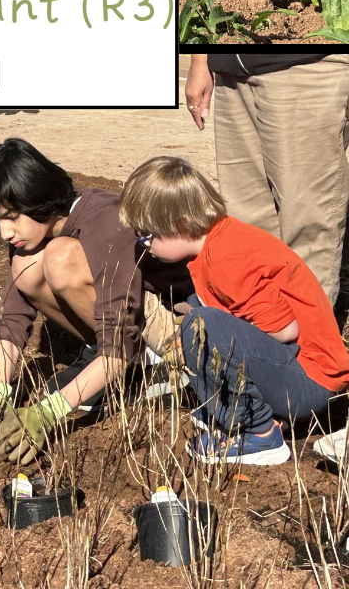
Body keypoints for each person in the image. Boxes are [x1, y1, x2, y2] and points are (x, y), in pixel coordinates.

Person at [0, 138, 191, 460]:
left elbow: (119, 340)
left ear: (35, 197)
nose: (5, 233)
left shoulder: (106, 220)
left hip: (171, 322)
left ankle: (158, 366)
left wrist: (50, 411)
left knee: (60, 256)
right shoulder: (35, 226)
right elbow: (13, 317)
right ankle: (111, 367)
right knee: (27, 265)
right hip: (122, 328)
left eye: (10, 217)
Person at [120, 156, 349, 466]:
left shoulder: (225, 262)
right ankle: (234, 407)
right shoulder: (221, 238)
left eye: (147, 234)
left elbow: (285, 331)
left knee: (202, 325)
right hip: (300, 371)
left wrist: (217, 328)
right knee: (199, 307)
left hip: (308, 383)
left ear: (181, 224)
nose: (145, 244)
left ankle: (259, 432)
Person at [183, 54, 349, 304]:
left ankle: (309, 324)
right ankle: (264, 321)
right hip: (232, 69)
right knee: (246, 220)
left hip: (308, 66)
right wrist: (200, 61)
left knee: (307, 220)